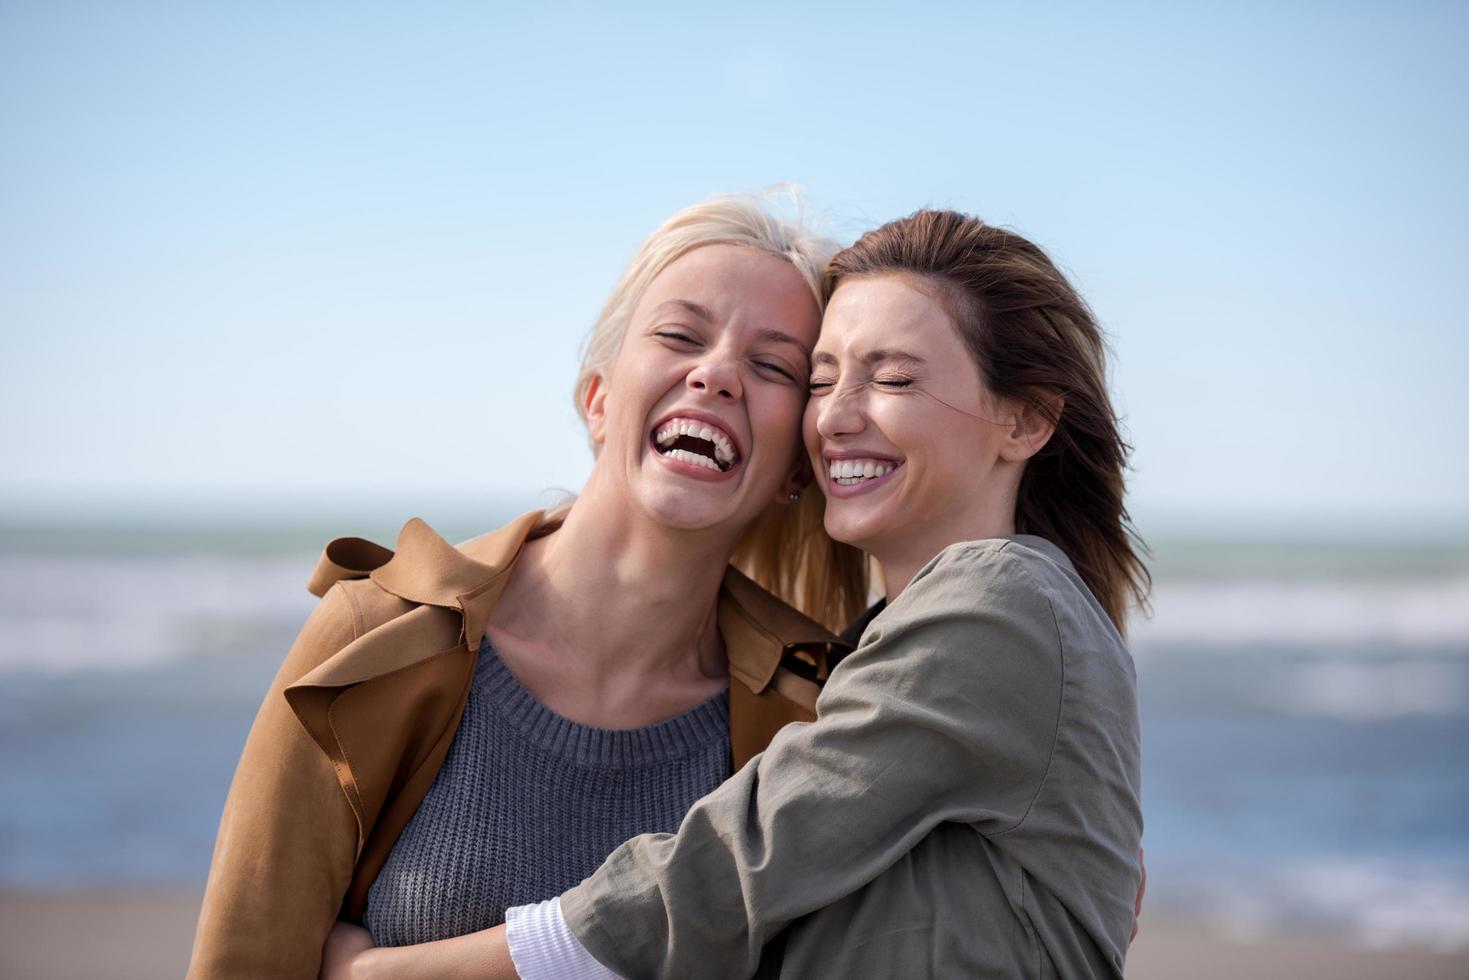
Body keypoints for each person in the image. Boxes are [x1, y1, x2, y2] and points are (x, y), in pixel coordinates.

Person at [325, 209, 1148, 979]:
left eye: (892, 379)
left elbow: (728, 867)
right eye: (820, 381)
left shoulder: (998, 604)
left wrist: (389, 974)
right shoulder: (865, 658)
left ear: (1026, 421)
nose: (833, 418)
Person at [185, 191, 870, 979]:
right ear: (599, 400)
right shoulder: (372, 636)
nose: (715, 374)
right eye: (680, 335)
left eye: (772, 365)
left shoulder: (814, 717)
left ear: (795, 470)